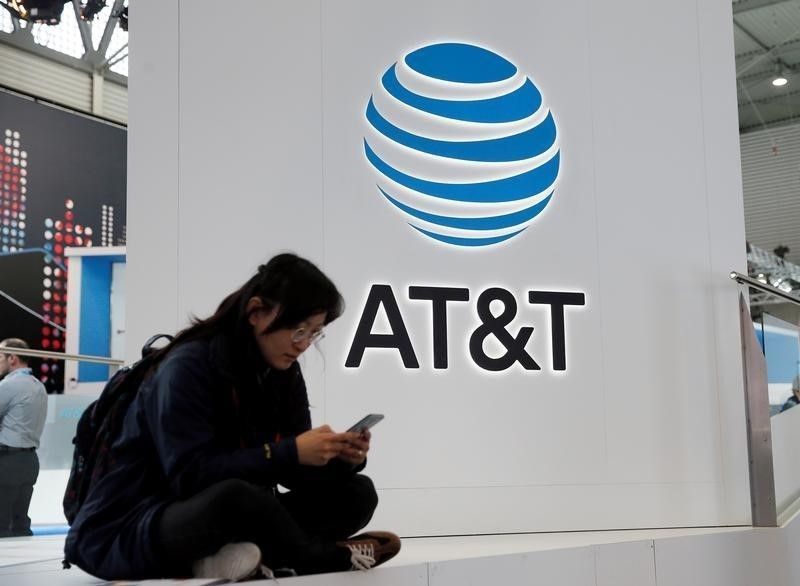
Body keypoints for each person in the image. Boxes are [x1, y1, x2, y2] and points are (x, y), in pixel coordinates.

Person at [64, 253, 400, 580]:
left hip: (232, 516)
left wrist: (339, 457)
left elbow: (292, 474)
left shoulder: (283, 372)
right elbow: (190, 477)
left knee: (357, 493)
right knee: (237, 498)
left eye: (314, 333)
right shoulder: (188, 367)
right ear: (256, 311)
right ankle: (323, 557)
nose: (304, 344)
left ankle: (227, 560)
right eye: (299, 330)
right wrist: (289, 451)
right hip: (135, 525)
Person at [0, 338, 48, 538]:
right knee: (19, 525)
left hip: (8, 461)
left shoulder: (10, 385)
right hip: (29, 462)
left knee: (2, 525)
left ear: (12, 359)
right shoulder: (38, 386)